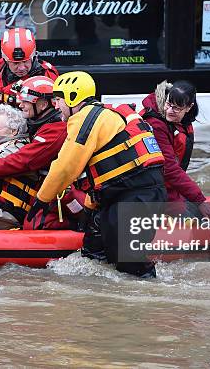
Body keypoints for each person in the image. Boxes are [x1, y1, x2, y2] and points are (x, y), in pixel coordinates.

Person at [26, 71, 166, 278]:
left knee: (133, 270)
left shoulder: (85, 119)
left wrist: (42, 199)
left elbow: (65, 166)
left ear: (73, 98)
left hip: (136, 197)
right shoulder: (103, 117)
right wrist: (89, 209)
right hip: (122, 195)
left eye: (58, 100)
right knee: (94, 254)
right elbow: (104, 175)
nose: (56, 106)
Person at [0, 76, 74, 230]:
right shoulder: (40, 122)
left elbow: (26, 160)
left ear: (43, 104)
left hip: (65, 191)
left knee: (35, 224)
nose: (20, 104)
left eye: (25, 101)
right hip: (45, 190)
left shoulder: (55, 129)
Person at [140, 80, 210, 218]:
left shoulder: (184, 121)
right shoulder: (156, 124)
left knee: (205, 216)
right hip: (155, 193)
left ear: (188, 107)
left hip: (169, 188)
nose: (170, 110)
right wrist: (199, 200)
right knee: (196, 221)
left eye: (177, 108)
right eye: (169, 104)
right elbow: (169, 169)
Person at [0, 27, 59, 155]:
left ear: (33, 55)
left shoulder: (47, 75)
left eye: (25, 61)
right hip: (2, 137)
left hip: (32, 139)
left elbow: (58, 114)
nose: (21, 68)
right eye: (15, 63)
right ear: (5, 59)